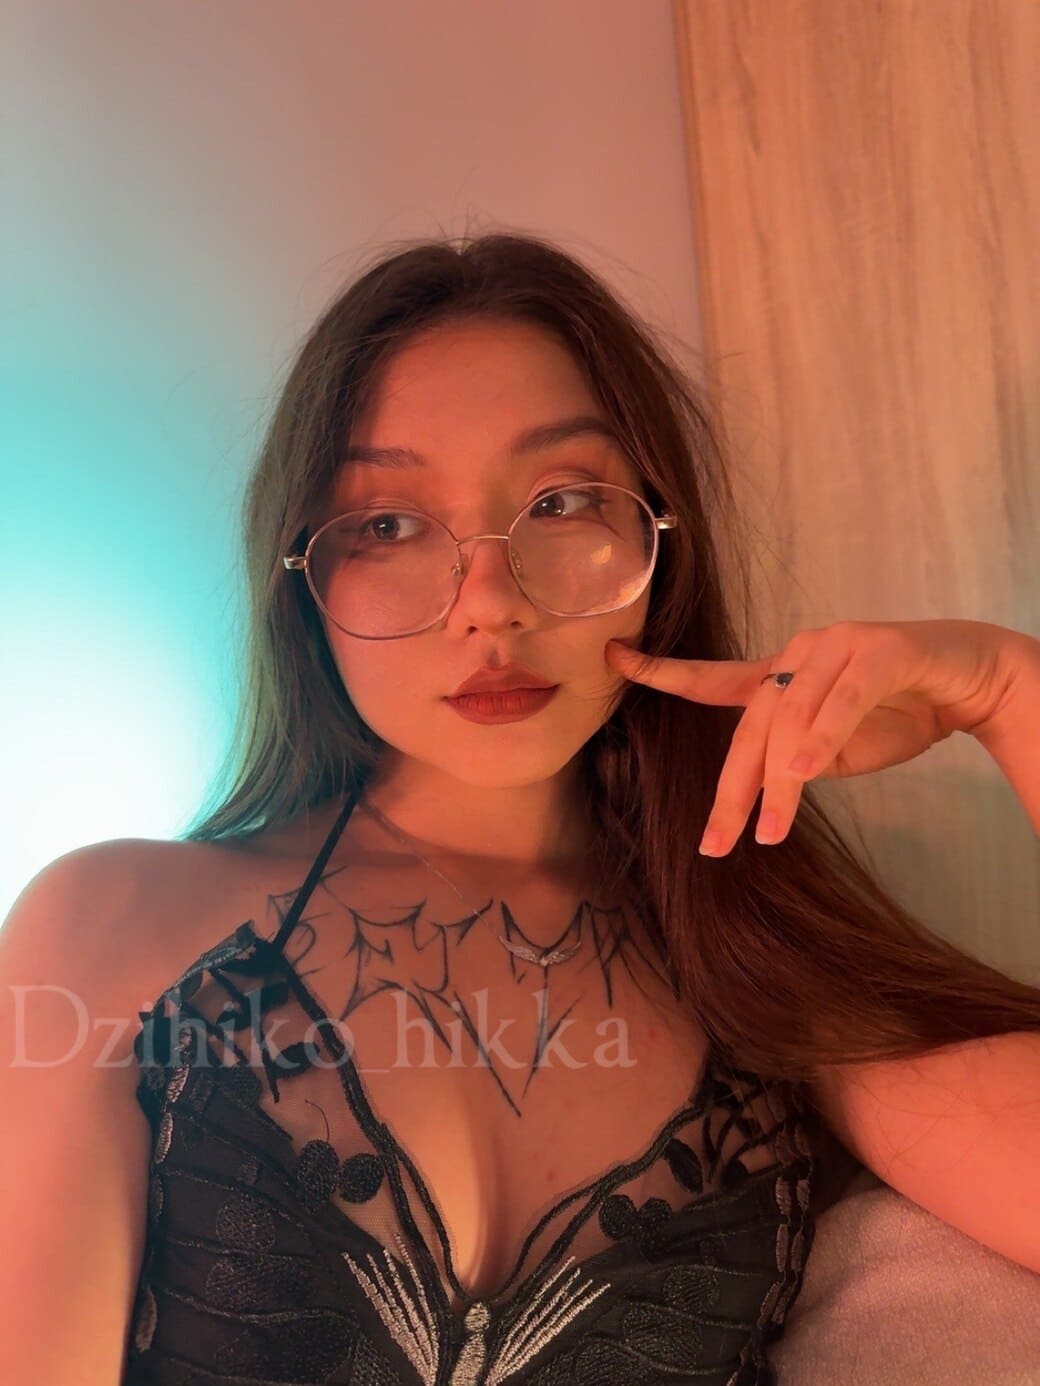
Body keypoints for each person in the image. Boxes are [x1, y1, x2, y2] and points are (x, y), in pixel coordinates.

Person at [3, 231, 1039, 1384]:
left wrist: (1005, 694)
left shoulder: (759, 966)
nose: (488, 602)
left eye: (561, 500)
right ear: (304, 577)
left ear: (657, 539)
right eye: (388, 523)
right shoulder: (110, 927)